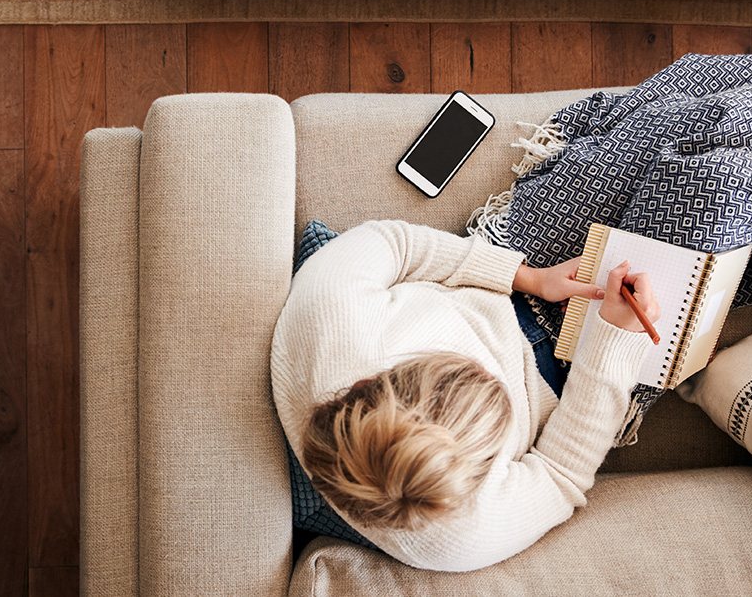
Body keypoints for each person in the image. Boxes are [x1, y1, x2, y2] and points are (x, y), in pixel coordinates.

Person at [270, 219, 661, 571]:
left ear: (366, 382)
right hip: (571, 376)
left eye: (459, 365)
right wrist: (615, 337)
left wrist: (526, 278)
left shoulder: (328, 317)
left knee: (693, 141)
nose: (491, 369)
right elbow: (560, 474)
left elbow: (396, 243)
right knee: (714, 195)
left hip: (504, 276)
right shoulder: (464, 535)